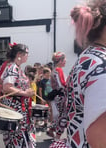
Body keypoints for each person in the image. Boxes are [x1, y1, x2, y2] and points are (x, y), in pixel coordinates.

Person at [50, 1, 106, 147]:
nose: (65, 60)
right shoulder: (101, 66)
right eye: (63, 59)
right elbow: (100, 139)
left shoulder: (85, 59)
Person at [0, 43, 35, 147]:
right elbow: (7, 87)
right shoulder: (13, 68)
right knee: (16, 139)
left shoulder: (17, 68)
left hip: (20, 109)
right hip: (15, 110)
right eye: (27, 53)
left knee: (20, 139)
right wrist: (25, 93)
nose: (28, 56)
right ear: (19, 54)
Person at [47, 51, 67, 140]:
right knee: (63, 116)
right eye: (64, 59)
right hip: (60, 95)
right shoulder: (58, 70)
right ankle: (58, 137)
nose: (66, 61)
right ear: (60, 60)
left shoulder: (54, 69)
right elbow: (62, 84)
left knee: (59, 115)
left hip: (57, 95)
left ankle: (51, 129)